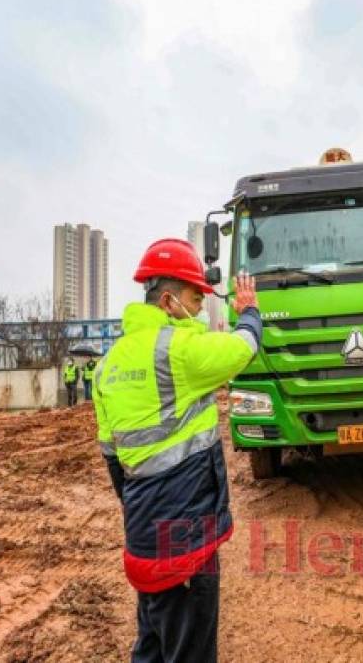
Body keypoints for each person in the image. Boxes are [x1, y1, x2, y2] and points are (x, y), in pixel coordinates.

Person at [92, 238, 261, 663]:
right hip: (185, 544)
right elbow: (244, 348)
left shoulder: (107, 366)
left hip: (145, 535)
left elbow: (114, 462)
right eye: (194, 297)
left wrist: (142, 511)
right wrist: (250, 312)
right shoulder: (177, 352)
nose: (201, 308)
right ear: (168, 300)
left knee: (151, 645)